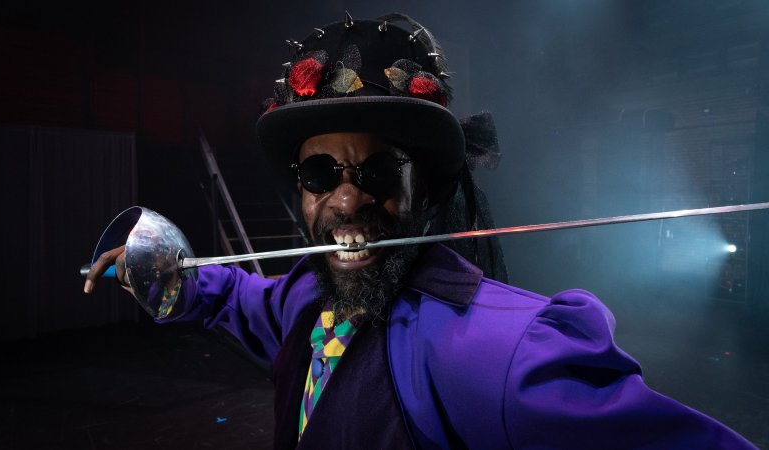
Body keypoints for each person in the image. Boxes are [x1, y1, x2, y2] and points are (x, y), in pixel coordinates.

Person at [84, 13, 758, 450]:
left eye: (379, 168)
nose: (347, 198)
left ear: (425, 190)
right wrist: (161, 269)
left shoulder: (503, 355)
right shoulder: (302, 301)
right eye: (320, 173)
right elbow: (238, 298)